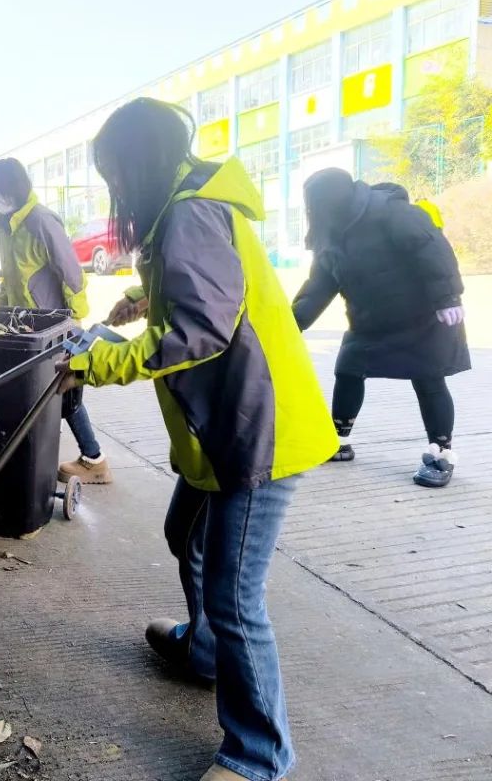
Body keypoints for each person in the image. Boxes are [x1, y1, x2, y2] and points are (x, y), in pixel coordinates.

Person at [60, 98, 337, 781]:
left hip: (254, 428)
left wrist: (104, 358)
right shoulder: (185, 205)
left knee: (235, 594)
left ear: (141, 160)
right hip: (222, 427)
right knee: (184, 532)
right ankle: (205, 652)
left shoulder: (191, 208)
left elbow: (203, 329)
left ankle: (258, 753)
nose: (115, 190)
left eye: (116, 176)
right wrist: (143, 296)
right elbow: (203, 290)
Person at [292, 169, 469, 488]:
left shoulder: (390, 211)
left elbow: (431, 247)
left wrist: (447, 296)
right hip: (370, 320)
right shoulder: (330, 232)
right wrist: (293, 325)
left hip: (422, 315)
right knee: (348, 370)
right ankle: (338, 440)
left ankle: (441, 453)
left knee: (428, 380)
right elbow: (319, 284)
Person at [0, 157, 112, 484]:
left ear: (20, 188)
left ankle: (94, 458)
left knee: (64, 393)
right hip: (21, 327)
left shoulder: (40, 221)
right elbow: (10, 277)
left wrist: (74, 318)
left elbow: (70, 272)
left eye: (5, 191)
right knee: (28, 393)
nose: (1, 198)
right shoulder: (4, 225)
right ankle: (22, 454)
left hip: (52, 324)